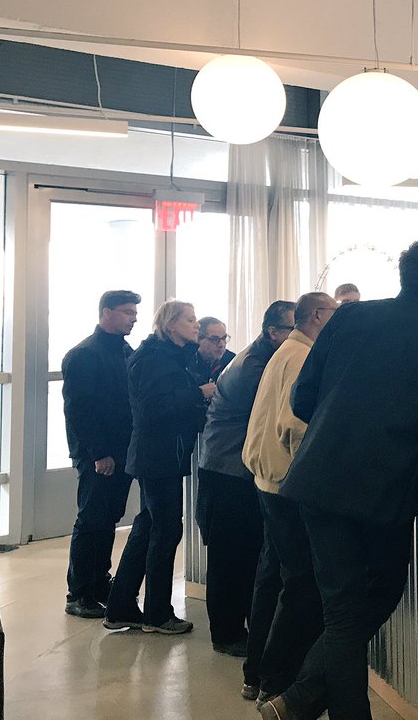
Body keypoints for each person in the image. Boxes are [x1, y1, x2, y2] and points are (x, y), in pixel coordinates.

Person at [262, 240, 418, 720]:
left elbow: (303, 398)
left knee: (343, 611)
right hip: (383, 489)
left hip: (316, 479)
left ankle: (298, 701)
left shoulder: (350, 317)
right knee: (369, 600)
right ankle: (306, 703)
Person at [241, 291, 338, 705]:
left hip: (267, 477)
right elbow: (294, 424)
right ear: (317, 315)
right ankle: (277, 681)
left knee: (276, 578)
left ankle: (257, 672)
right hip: (287, 483)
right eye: (335, 312)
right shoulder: (302, 356)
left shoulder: (286, 351)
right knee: (301, 585)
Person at [105, 300, 214, 635]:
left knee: (147, 528)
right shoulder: (154, 359)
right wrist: (200, 393)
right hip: (157, 456)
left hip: (161, 454)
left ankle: (121, 607)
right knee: (166, 532)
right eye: (191, 320)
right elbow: (154, 408)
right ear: (171, 325)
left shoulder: (169, 357)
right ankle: (157, 614)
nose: (197, 325)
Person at [197, 300, 296, 658]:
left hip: (234, 469)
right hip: (227, 473)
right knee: (229, 558)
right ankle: (225, 634)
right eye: (293, 329)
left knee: (244, 555)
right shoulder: (256, 367)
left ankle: (241, 627)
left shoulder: (260, 357)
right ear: (274, 332)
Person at [61, 289, 141, 619]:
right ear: (106, 313)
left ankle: (98, 581)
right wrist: (99, 453)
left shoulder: (124, 350)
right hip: (99, 454)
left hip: (121, 451)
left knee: (109, 519)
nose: (133, 318)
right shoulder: (84, 355)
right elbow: (80, 412)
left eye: (135, 313)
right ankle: (78, 592)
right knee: (91, 520)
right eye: (126, 312)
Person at [192, 316, 235, 386]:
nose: (221, 344)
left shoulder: (232, 361)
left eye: (224, 338)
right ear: (198, 339)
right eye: (215, 339)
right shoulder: (187, 362)